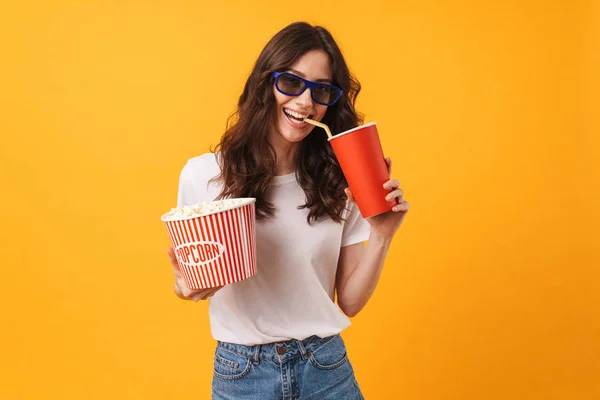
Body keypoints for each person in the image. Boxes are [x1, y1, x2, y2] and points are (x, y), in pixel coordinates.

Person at [166, 21, 409, 399]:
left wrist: (382, 234)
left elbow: (350, 301)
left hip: (325, 369)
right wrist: (190, 288)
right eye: (292, 83)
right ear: (266, 83)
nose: (305, 102)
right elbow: (197, 279)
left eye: (321, 90)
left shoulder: (340, 179)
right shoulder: (205, 174)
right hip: (242, 373)